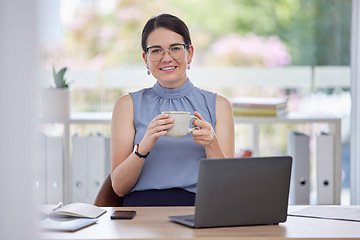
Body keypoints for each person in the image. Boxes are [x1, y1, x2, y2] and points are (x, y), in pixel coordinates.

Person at [110, 13, 235, 206]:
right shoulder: (127, 105)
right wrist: (143, 148)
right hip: (143, 213)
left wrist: (212, 143)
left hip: (201, 210)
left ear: (190, 53)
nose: (166, 58)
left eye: (175, 48)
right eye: (156, 50)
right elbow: (118, 187)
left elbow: (226, 187)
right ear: (146, 59)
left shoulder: (219, 105)